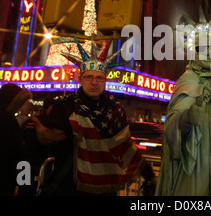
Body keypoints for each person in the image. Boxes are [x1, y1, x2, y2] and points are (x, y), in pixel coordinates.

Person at [32, 39, 156, 195]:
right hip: (70, 187)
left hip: (104, 189)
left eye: (99, 78)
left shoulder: (115, 110)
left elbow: (126, 147)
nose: (94, 82)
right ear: (80, 79)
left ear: (105, 81)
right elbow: (42, 145)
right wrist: (41, 138)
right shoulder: (64, 107)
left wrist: (149, 176)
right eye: (89, 77)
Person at [156, 8, 211, 196]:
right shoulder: (188, 79)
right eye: (200, 48)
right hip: (196, 163)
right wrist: (186, 119)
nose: (207, 53)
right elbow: (171, 125)